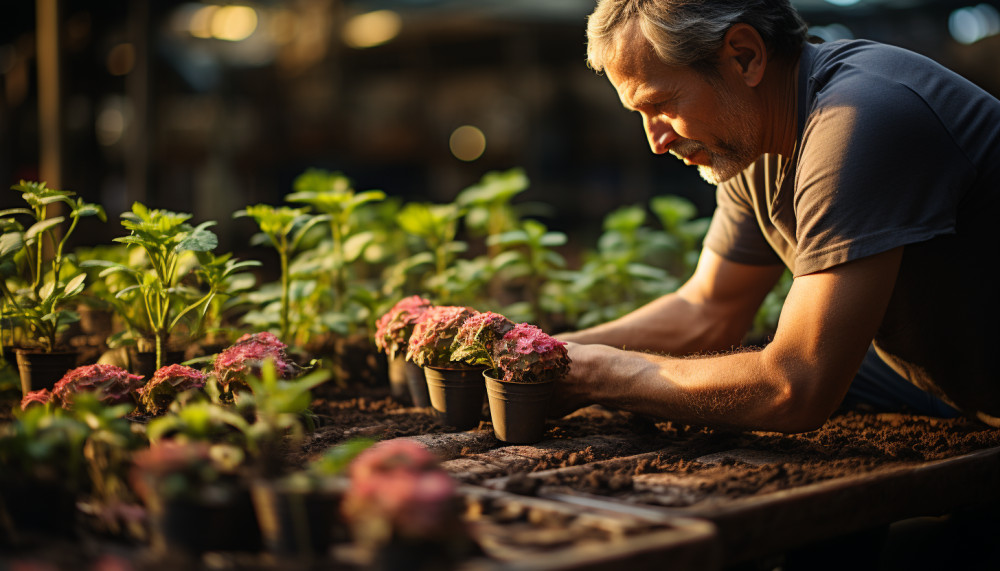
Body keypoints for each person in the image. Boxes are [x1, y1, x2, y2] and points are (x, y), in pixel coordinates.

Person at [555, 0, 1000, 432]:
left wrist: (601, 374)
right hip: (949, 380)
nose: (655, 140)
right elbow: (708, 311)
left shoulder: (861, 118)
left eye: (662, 104)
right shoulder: (753, 139)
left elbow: (795, 386)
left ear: (744, 57)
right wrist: (545, 352)